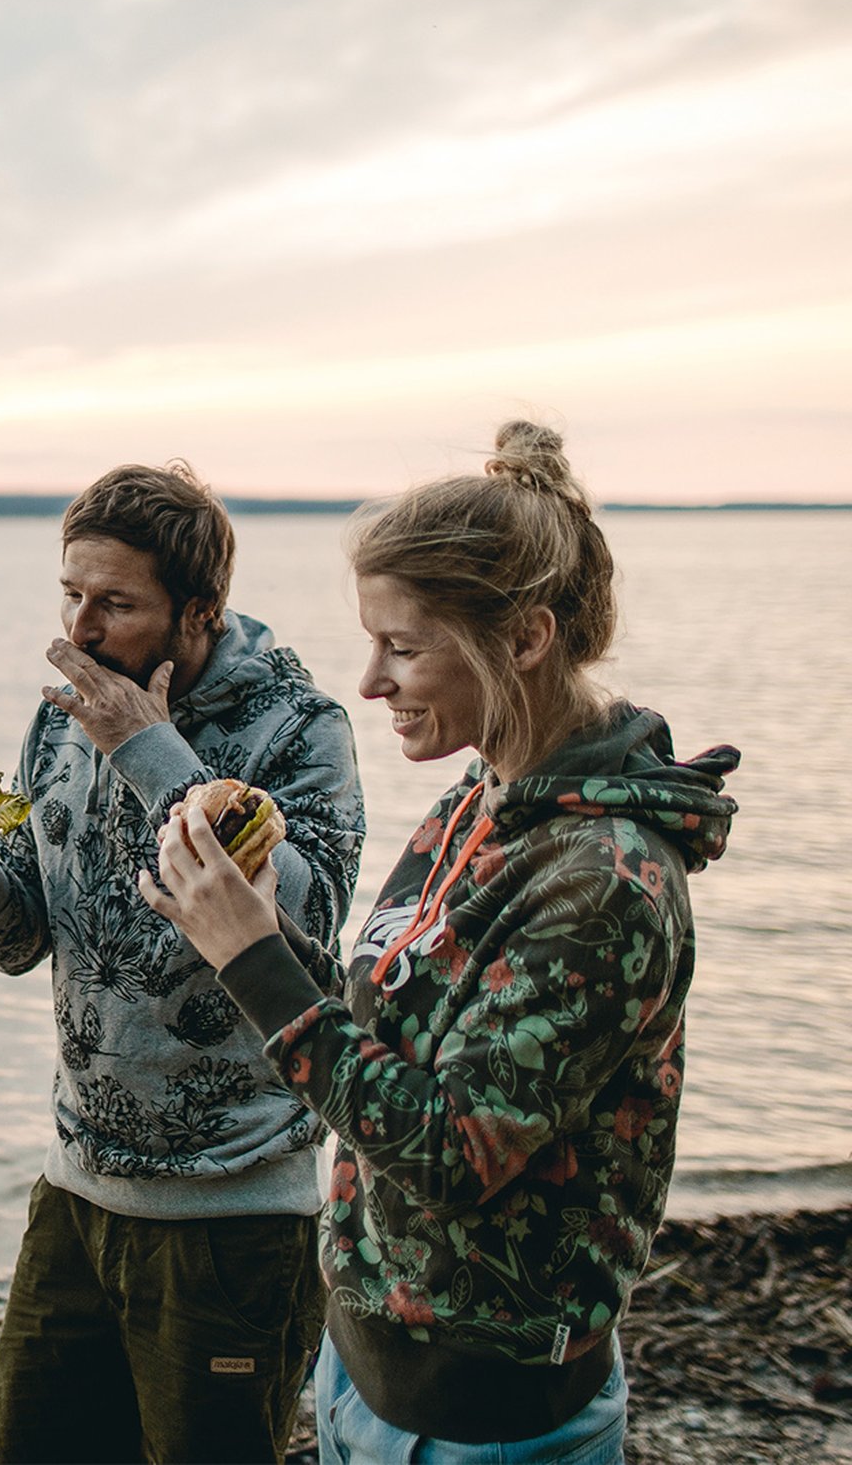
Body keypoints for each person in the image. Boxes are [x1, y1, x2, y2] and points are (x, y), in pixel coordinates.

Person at [143, 421, 740, 1464]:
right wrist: (248, 916)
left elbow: (452, 1152)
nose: (369, 681)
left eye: (404, 648)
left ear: (523, 640)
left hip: (488, 1429)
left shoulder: (603, 882)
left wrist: (251, 960)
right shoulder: (481, 800)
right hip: (361, 1382)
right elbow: (384, 1024)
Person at [0, 461, 365, 1464]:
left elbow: (314, 926)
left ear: (200, 610)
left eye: (115, 604)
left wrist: (152, 752)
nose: (82, 630)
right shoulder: (59, 715)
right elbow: (22, 942)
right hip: (76, 1192)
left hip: (236, 1214)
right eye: (71, 594)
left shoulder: (298, 727)